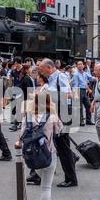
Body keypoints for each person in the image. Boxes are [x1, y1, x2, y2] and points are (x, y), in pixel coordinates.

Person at [16, 93, 62, 200]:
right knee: (46, 187)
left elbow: (21, 134)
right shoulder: (52, 117)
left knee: (44, 181)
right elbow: (59, 130)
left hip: (32, 155)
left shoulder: (27, 117)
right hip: (48, 154)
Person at [39, 58, 78, 188]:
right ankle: (71, 168)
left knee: (63, 147)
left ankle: (71, 179)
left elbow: (69, 95)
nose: (42, 74)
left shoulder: (60, 77)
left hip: (62, 116)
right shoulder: (51, 79)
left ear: (49, 68)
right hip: (56, 116)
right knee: (61, 146)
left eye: (43, 70)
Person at [72, 61, 95, 126]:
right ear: (77, 66)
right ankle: (81, 121)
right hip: (79, 90)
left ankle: (88, 120)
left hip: (84, 91)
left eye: (81, 64)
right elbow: (75, 85)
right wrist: (75, 94)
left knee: (88, 105)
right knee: (80, 107)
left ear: (83, 66)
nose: (80, 65)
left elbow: (91, 78)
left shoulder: (85, 73)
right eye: (78, 64)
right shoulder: (76, 74)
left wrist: (96, 77)